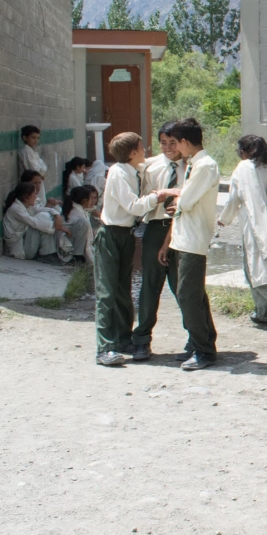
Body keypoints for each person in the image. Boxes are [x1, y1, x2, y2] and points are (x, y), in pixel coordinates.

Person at [94, 132, 174, 368]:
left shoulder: (133, 170)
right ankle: (104, 347)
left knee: (122, 291)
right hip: (111, 236)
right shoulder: (118, 173)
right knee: (107, 293)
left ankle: (122, 339)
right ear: (131, 153)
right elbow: (134, 207)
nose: (145, 151)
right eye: (141, 148)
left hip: (126, 236)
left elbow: (156, 162)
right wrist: (160, 195)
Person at [218, 135, 267, 326]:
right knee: (264, 269)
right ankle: (263, 313)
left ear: (244, 151)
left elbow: (236, 196)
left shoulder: (244, 168)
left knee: (253, 270)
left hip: (255, 224)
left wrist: (224, 218)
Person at [161, 118, 221, 371]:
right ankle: (203, 342)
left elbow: (186, 200)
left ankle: (203, 349)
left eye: (177, 143)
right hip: (183, 237)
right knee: (193, 294)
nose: (176, 148)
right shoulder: (194, 164)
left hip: (193, 239)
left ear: (185, 142)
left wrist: (177, 201)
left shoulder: (205, 166)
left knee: (188, 295)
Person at [132, 122, 187, 362]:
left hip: (183, 229)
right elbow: (140, 199)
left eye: (173, 143)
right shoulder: (150, 166)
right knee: (150, 286)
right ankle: (142, 340)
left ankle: (195, 339)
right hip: (156, 227)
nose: (168, 148)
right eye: (163, 143)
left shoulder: (192, 164)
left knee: (183, 287)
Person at [2, 182, 64, 261]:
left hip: (26, 244)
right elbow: (34, 222)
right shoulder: (16, 209)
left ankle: (49, 253)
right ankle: (47, 254)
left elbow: (41, 209)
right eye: (34, 194)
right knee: (42, 220)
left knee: (46, 217)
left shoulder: (26, 205)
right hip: (20, 250)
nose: (36, 197)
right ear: (26, 196)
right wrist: (59, 227)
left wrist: (57, 215)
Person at [60, 185, 98, 263]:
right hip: (66, 247)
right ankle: (77, 257)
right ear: (84, 201)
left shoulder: (79, 209)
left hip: (69, 241)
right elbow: (87, 242)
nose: (92, 201)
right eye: (90, 198)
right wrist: (92, 261)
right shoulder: (77, 213)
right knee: (84, 223)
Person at [18, 125, 51, 201]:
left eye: (38, 138)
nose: (36, 140)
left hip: (37, 182)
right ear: (25, 138)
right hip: (30, 183)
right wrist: (41, 173)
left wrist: (42, 173)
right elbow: (34, 169)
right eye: (33, 138)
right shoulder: (25, 151)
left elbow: (44, 167)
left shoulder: (33, 151)